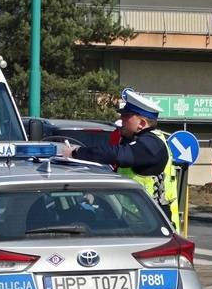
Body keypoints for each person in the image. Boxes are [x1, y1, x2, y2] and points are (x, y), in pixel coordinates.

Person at [63, 90, 179, 230]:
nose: (121, 119)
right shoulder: (141, 141)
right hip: (138, 220)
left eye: (126, 116)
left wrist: (77, 153)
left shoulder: (151, 144)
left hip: (150, 224)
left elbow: (118, 155)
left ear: (142, 123)